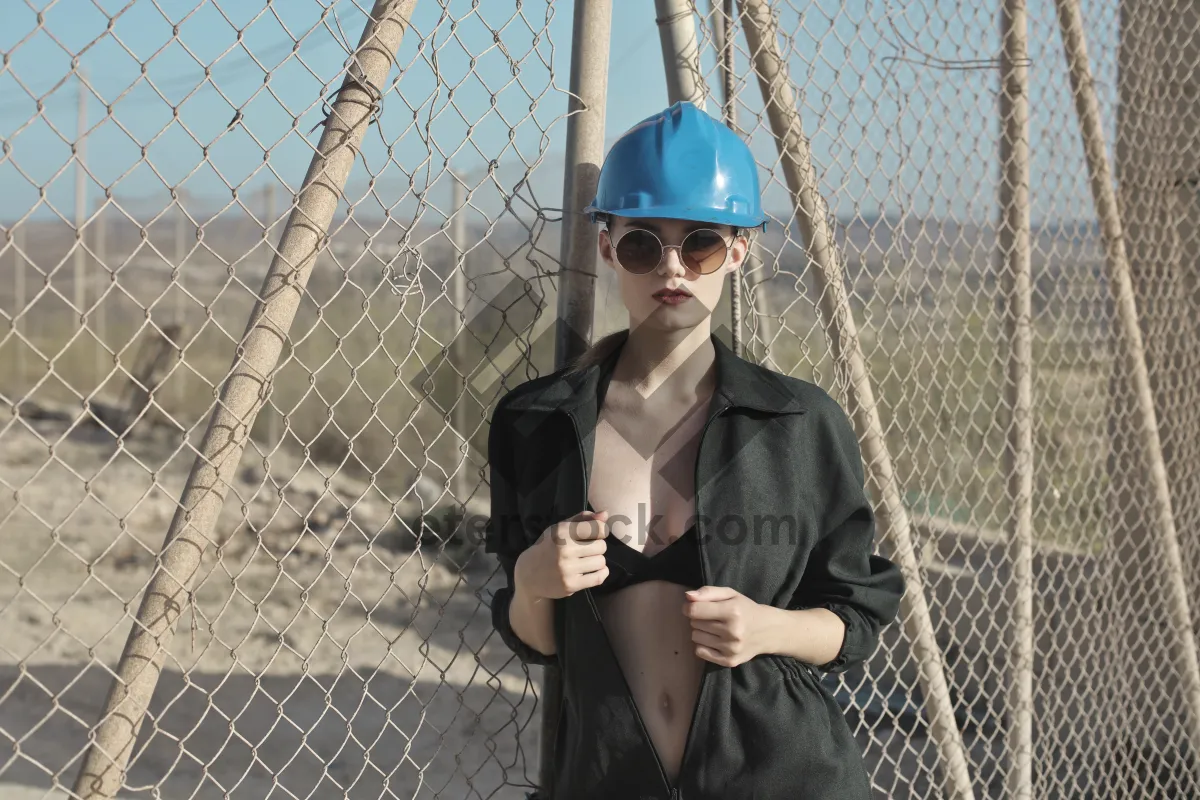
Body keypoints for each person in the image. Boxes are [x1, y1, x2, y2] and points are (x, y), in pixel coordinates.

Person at [484, 101, 906, 800]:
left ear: (737, 251)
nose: (672, 267)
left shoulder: (798, 423)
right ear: (608, 246)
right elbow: (541, 640)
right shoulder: (535, 424)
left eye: (701, 243)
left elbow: (856, 617)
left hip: (785, 779)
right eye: (645, 243)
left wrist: (766, 627)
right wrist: (532, 581)